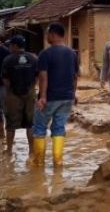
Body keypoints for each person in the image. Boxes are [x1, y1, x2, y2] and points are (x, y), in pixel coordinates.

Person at [32, 23, 79, 167]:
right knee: (59, 128)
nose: (46, 37)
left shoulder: (45, 54)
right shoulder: (72, 53)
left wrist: (42, 97)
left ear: (52, 35)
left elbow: (43, 76)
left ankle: (39, 163)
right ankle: (58, 162)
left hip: (50, 97)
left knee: (39, 128)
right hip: (67, 98)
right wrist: (73, 93)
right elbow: (75, 76)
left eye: (47, 34)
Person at [1, 35, 38, 157]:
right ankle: (31, 151)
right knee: (30, 123)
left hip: (13, 95)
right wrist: (30, 88)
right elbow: (37, 77)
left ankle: (9, 150)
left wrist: (11, 90)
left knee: (11, 124)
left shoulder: (7, 60)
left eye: (11, 45)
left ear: (16, 46)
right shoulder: (33, 58)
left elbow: (5, 80)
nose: (9, 47)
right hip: (30, 93)